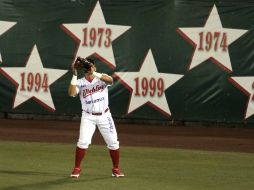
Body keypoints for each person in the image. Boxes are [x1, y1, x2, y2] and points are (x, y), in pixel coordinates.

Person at [68, 57, 124, 178]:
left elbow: (110, 81)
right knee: (83, 142)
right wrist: (74, 75)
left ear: (95, 67)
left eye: (92, 66)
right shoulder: (81, 82)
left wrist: (94, 73)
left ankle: (116, 169)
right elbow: (72, 93)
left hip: (105, 115)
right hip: (88, 116)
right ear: (85, 69)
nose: (90, 68)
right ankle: (77, 168)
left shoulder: (101, 78)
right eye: (88, 66)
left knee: (113, 143)